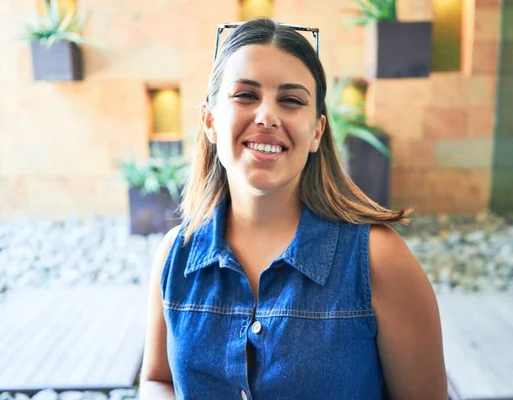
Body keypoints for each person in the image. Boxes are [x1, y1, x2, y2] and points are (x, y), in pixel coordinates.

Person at [139, 18, 447, 400]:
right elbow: (158, 380)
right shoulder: (174, 255)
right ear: (210, 120)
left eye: (291, 100)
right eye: (245, 95)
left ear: (317, 131)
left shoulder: (379, 260)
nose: (267, 116)